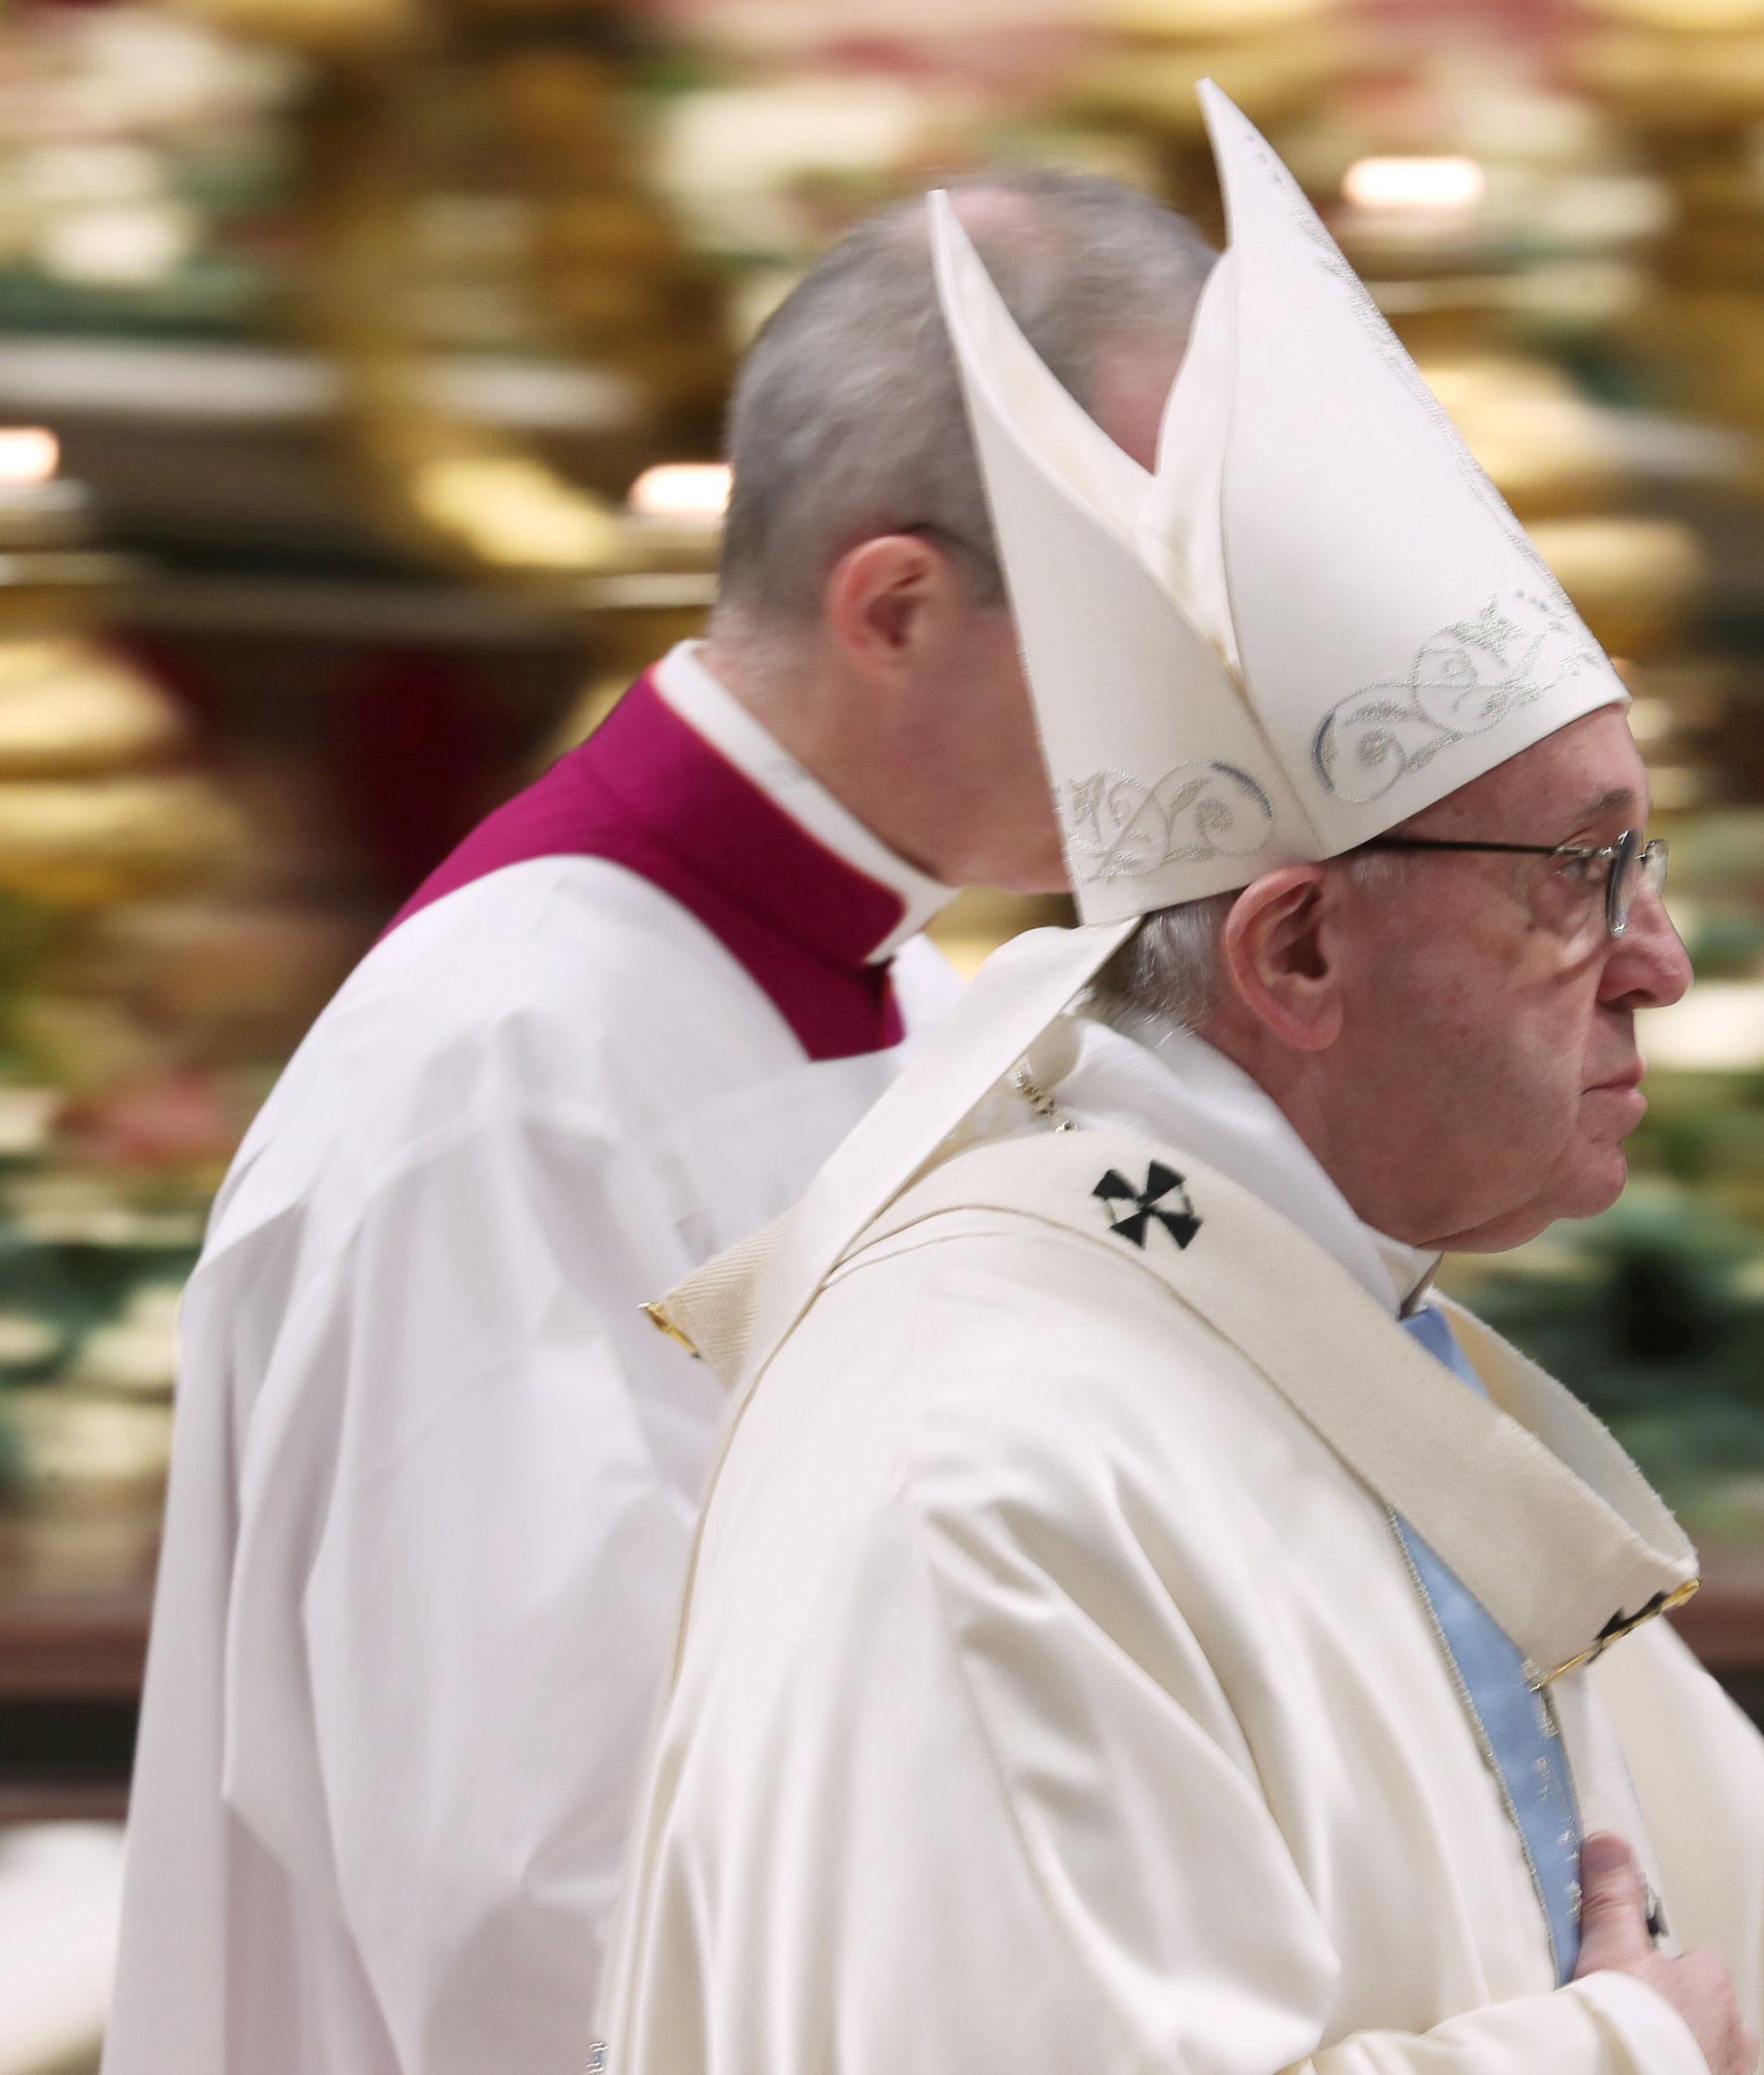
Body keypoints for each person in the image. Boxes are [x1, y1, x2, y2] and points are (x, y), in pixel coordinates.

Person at [595, 87, 1764, 2075]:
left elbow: (1543, 1892)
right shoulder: (982, 1462)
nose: (1659, 966)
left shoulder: (1297, 1326)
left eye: (1646, 865)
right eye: (1579, 879)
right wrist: (1629, 2062)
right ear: (1298, 952)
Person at [104, 172, 1215, 2075]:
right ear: (896, 607)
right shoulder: (507, 1076)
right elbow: (541, 1893)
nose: (1209, 688)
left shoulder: (918, 994)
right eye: (1160, 608)